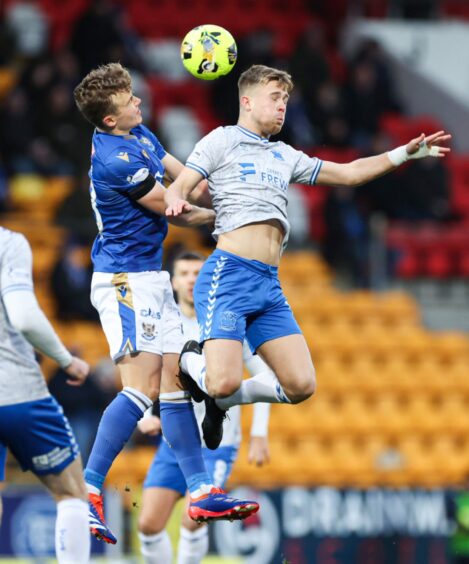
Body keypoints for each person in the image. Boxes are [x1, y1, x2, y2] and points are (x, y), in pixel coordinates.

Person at [164, 64, 451, 447]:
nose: (283, 106)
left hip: (268, 283)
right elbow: (181, 186)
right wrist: (173, 202)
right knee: (222, 379)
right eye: (275, 97)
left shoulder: (284, 155)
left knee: (301, 385)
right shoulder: (221, 141)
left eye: (286, 99)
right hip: (229, 275)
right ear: (246, 102)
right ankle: (189, 364)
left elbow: (348, 174)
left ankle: (222, 402)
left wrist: (402, 154)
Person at [73, 62, 259, 545]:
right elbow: (173, 209)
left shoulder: (140, 135)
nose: (139, 101)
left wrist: (223, 189)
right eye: (128, 99)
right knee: (140, 391)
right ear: (109, 119)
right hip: (124, 281)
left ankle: (200, 490)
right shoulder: (115, 158)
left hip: (152, 278)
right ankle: (88, 492)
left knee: (175, 386)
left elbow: (186, 180)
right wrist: (232, 219)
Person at [137, 251, 271, 564]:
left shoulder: (226, 323)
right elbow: (144, 374)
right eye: (184, 273)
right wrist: (146, 415)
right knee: (148, 524)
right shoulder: (162, 325)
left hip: (217, 444)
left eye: (198, 272)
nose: (191, 279)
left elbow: (264, 374)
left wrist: (260, 433)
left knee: (193, 517)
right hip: (176, 443)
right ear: (172, 280)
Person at [0, 226, 91, 563]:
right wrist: (67, 361)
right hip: (16, 390)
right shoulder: (8, 243)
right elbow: (24, 317)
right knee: (70, 492)